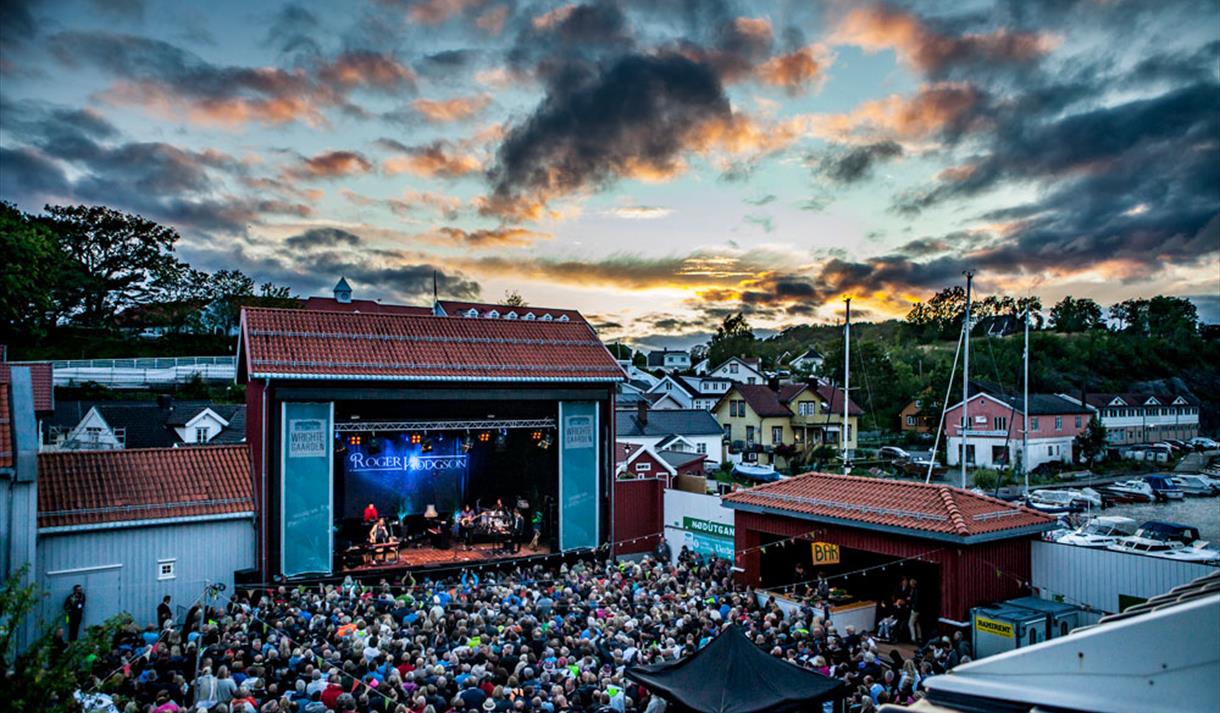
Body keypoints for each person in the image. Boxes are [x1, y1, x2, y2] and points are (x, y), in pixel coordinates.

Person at [908, 577, 922, 644]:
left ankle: (913, 638)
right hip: (919, 609)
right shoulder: (918, 590)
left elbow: (915, 601)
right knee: (917, 624)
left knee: (910, 624)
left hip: (915, 609)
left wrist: (910, 600)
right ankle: (919, 637)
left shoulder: (915, 590)